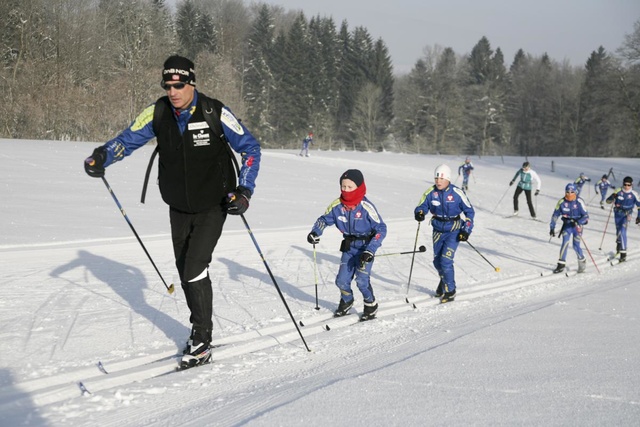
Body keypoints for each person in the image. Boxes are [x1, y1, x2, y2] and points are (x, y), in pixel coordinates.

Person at [84, 55, 261, 368]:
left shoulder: (214, 110)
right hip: (178, 205)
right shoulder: (157, 112)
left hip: (214, 202)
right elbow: (128, 139)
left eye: (179, 84)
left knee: (195, 265)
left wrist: (244, 191)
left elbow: (250, 148)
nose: (173, 91)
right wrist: (102, 156)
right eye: (167, 85)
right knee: (184, 270)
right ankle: (198, 327)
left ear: (191, 82)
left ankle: (203, 340)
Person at [307, 169, 387, 320]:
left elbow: (381, 229)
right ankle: (347, 300)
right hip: (349, 247)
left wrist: (370, 250)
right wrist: (315, 232)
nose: (346, 190)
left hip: (365, 247)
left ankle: (370, 304)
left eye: (350, 187)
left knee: (362, 281)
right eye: (343, 187)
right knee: (341, 281)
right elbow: (324, 220)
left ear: (359, 187)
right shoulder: (337, 205)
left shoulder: (366, 207)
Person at [414, 164, 475, 303]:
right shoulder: (430, 192)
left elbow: (469, 212)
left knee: (446, 261)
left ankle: (450, 290)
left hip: (454, 229)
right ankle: (444, 281)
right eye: (436, 178)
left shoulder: (457, 193)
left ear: (448, 179)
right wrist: (420, 213)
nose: (438, 181)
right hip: (438, 230)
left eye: (441, 178)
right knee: (437, 262)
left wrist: (466, 230)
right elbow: (421, 206)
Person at [549, 183, 589, 274]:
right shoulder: (561, 202)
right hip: (567, 225)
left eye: (572, 192)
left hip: (577, 226)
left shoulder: (579, 201)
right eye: (567, 192)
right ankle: (561, 263)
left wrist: (579, 222)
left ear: (575, 192)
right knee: (565, 242)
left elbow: (586, 216)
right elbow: (555, 215)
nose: (569, 194)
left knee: (576, 245)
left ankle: (582, 259)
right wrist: (552, 227)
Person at [605, 176, 640, 262]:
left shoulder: (634, 194)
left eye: (629, 185)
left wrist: (639, 217)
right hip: (617, 213)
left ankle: (623, 253)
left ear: (632, 184)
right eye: (625, 184)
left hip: (627, 214)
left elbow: (639, 206)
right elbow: (608, 201)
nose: (626, 186)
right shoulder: (618, 191)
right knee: (618, 231)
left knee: (623, 230)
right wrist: (612, 196)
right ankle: (619, 246)